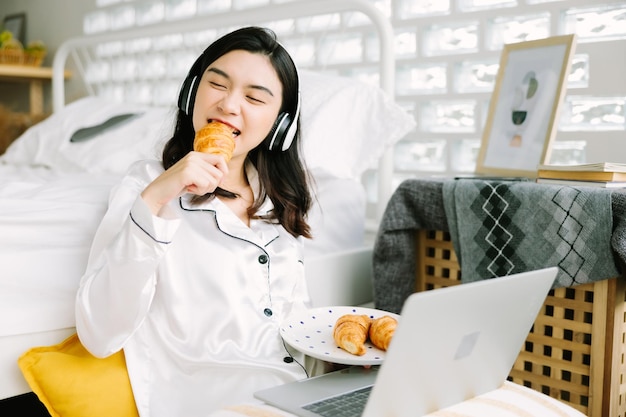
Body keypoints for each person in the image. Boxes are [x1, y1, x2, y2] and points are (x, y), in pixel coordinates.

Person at [75, 26, 318, 416]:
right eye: (216, 85)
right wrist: (157, 195)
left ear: (280, 124)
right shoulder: (146, 186)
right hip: (215, 405)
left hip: (299, 396)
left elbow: (294, 320)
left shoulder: (280, 201)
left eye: (255, 97)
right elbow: (99, 334)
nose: (228, 105)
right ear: (192, 94)